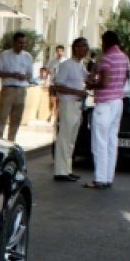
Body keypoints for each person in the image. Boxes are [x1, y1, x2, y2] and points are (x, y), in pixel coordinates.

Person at [83, 30, 130, 189]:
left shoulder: (107, 58)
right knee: (111, 141)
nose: (101, 45)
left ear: (106, 42)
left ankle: (99, 178)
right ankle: (108, 177)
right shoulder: (123, 57)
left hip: (104, 103)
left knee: (99, 142)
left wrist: (91, 85)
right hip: (118, 101)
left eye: (102, 42)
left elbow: (103, 83)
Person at [50, 37, 89, 182]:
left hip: (77, 105)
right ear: (75, 48)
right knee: (65, 138)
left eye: (86, 46)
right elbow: (58, 86)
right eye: (82, 46)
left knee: (72, 139)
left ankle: (67, 169)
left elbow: (87, 79)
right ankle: (60, 171)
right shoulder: (67, 65)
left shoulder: (81, 65)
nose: (85, 49)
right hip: (68, 104)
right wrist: (76, 92)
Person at [0, 31, 34, 141]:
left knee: (16, 118)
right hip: (8, 88)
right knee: (2, 117)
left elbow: (30, 74)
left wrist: (25, 76)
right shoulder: (5, 55)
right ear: (14, 42)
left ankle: (11, 141)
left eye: (24, 43)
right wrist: (12, 75)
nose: (22, 45)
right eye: (20, 43)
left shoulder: (27, 57)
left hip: (21, 89)